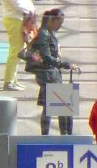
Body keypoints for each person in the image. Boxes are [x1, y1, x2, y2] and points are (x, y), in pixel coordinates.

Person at [25, 8, 80, 136]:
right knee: (58, 104)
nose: (60, 26)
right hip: (48, 74)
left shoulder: (48, 32)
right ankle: (62, 134)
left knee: (49, 106)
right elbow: (47, 57)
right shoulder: (44, 34)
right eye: (59, 23)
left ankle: (51, 134)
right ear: (53, 20)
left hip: (49, 73)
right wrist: (65, 64)